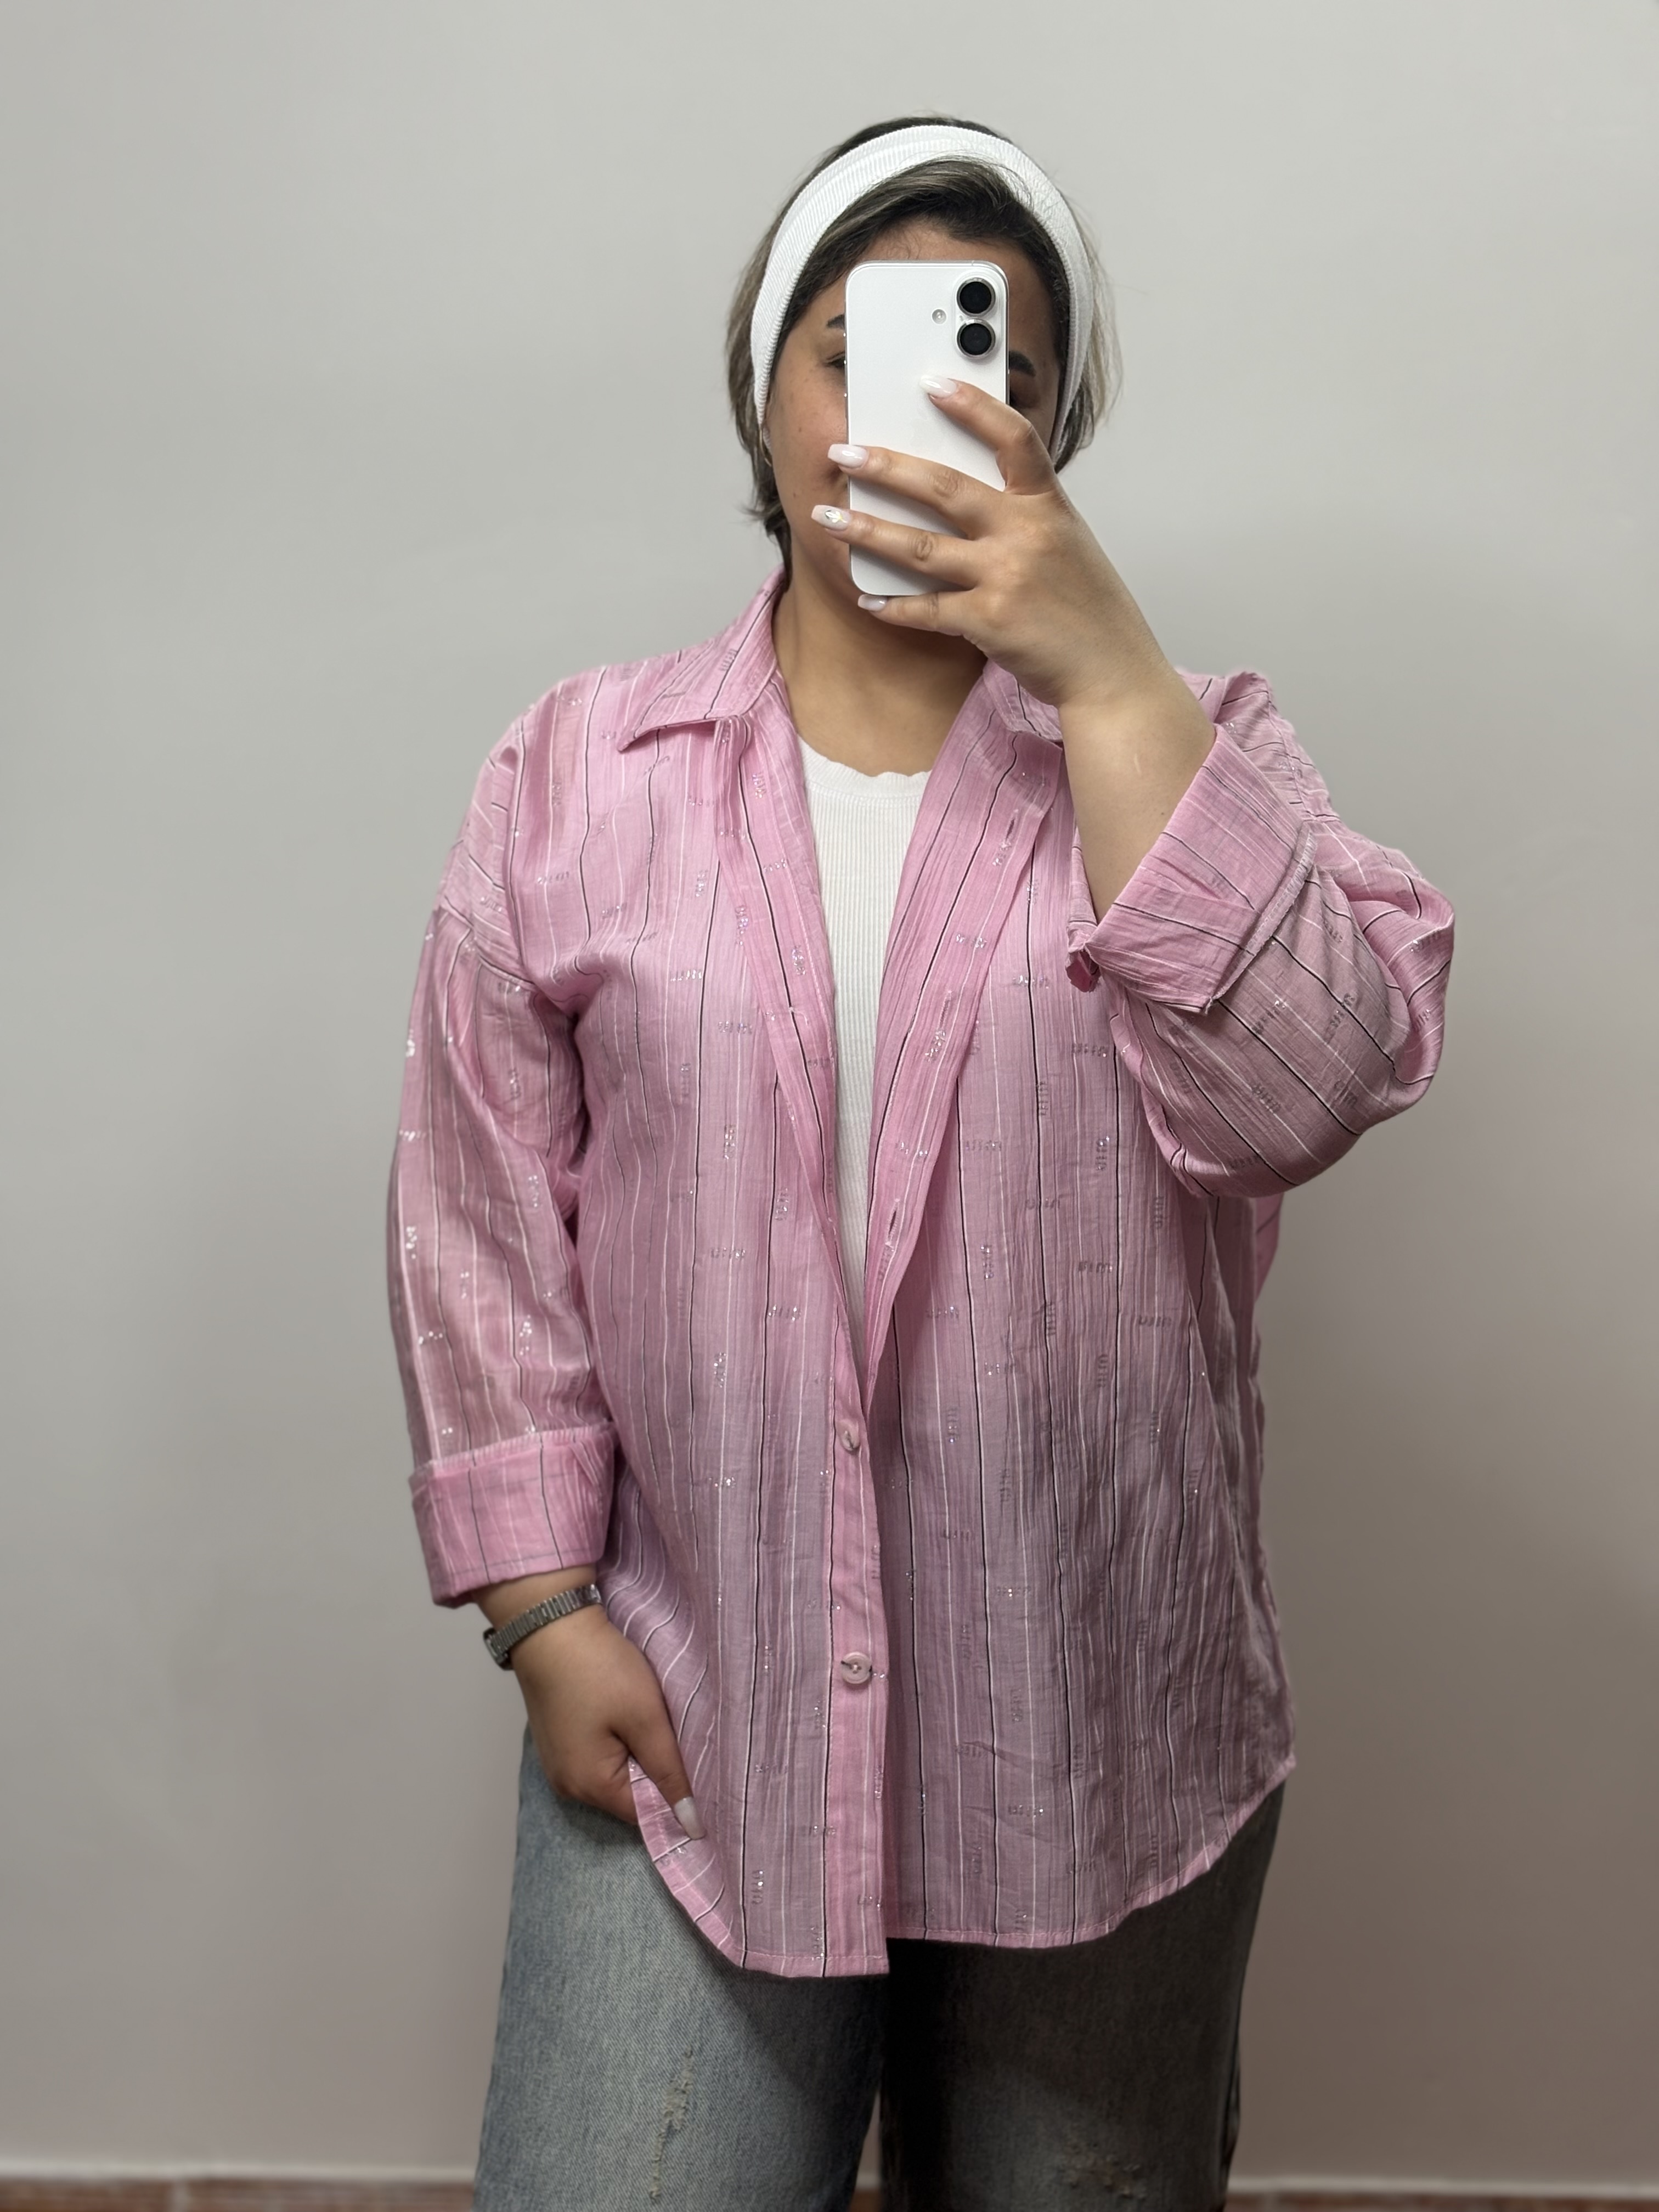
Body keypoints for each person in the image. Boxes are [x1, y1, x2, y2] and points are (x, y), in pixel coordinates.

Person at [387, 117, 1453, 2212]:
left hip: (1101, 1735)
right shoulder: (578, 776)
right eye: (851, 356)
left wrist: (1110, 674)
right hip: (700, 1712)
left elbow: (1301, 1093)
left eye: (995, 369)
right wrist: (540, 1609)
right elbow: (481, 1209)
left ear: (1053, 434)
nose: (918, 414)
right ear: (762, 390)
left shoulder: (1201, 744)